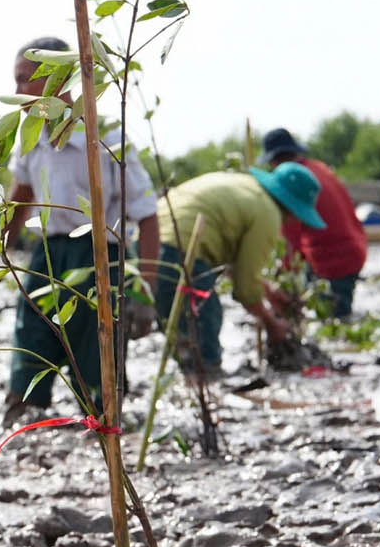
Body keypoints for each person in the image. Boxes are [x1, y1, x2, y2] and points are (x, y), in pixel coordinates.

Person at [1, 37, 159, 425]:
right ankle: (26, 428)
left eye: (25, 80)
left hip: (100, 260)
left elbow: (148, 216)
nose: (17, 92)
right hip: (49, 258)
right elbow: (20, 197)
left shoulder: (108, 140)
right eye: (16, 81)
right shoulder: (33, 138)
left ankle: (103, 435)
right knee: (30, 349)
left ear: (58, 80)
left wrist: (145, 289)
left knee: (97, 370)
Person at [152, 162, 325, 378]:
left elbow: (234, 264)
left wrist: (268, 291)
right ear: (292, 207)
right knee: (205, 333)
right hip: (179, 253)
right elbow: (244, 290)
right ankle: (204, 390)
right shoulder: (268, 214)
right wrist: (272, 324)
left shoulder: (245, 187)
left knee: (182, 339)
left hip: (149, 242)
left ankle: (186, 387)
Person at [259, 127, 367, 318]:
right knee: (333, 313)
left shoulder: (292, 186)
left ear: (275, 161)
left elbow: (290, 246)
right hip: (353, 247)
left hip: (334, 258)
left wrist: (282, 287)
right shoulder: (318, 167)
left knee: (332, 319)